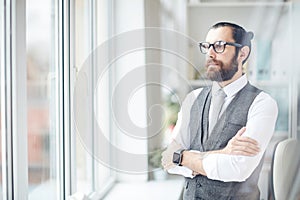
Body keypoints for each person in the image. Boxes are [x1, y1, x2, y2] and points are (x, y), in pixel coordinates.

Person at [161, 22, 278, 200]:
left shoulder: (262, 103)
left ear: (243, 53)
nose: (210, 53)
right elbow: (168, 159)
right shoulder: (193, 98)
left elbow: (238, 169)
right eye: (207, 46)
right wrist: (222, 154)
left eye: (219, 46)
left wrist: (183, 157)